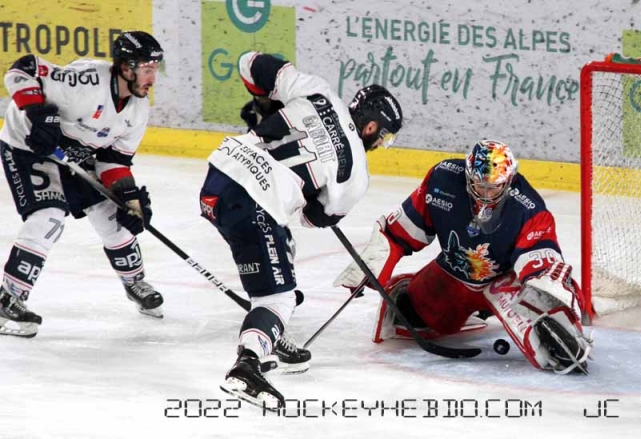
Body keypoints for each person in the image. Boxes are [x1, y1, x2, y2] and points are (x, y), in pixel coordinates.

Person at [201, 51, 403, 408]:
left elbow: (250, 62)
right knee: (278, 296)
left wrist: (264, 102)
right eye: (383, 137)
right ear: (372, 127)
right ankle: (248, 364)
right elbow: (313, 218)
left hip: (217, 179)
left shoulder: (319, 91)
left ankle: (267, 328)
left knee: (280, 243)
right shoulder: (355, 176)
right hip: (252, 207)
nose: (378, 144)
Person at [334, 140, 594, 374]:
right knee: (407, 317)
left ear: (509, 180)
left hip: (505, 283)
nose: (485, 195)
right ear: (468, 176)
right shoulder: (443, 180)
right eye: (479, 186)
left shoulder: (528, 208)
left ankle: (542, 317)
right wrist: (372, 265)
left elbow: (539, 266)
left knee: (556, 348)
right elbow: (401, 232)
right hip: (454, 275)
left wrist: (551, 294)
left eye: (494, 188)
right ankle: (474, 310)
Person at [0, 31, 166, 338]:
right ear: (126, 68)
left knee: (114, 216)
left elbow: (114, 160)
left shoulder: (138, 110)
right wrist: (37, 113)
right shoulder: (86, 82)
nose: (152, 76)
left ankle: (134, 283)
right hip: (28, 146)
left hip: (75, 154)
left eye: (155, 68)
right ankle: (8, 298)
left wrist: (128, 197)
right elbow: (23, 69)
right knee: (48, 217)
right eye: (146, 68)